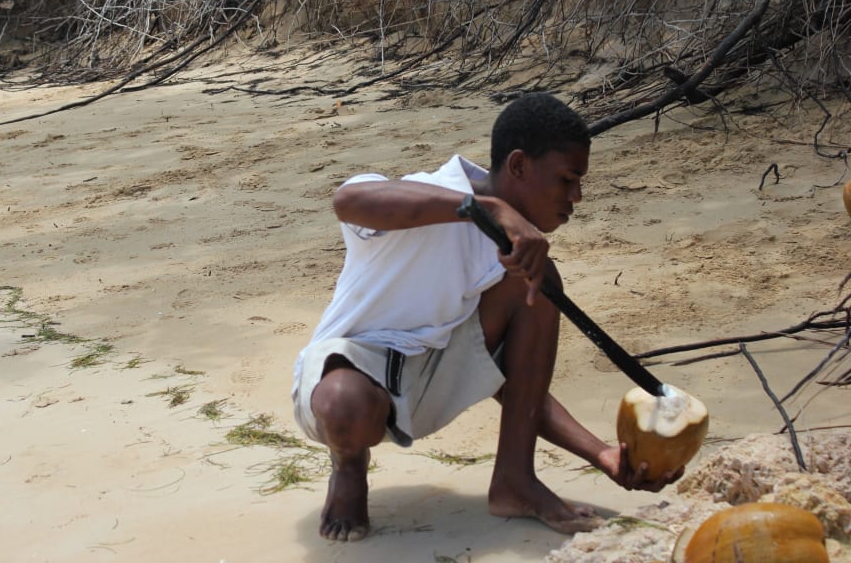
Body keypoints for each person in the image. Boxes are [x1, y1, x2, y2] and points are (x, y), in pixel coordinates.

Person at [291, 92, 680, 543]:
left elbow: (513, 385)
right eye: (567, 179)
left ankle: (515, 480)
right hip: (343, 382)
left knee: (538, 282)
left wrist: (603, 455)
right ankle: (349, 465)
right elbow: (349, 199)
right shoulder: (431, 191)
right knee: (347, 405)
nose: (576, 196)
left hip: (428, 381)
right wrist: (485, 208)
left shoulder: (511, 261)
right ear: (518, 166)